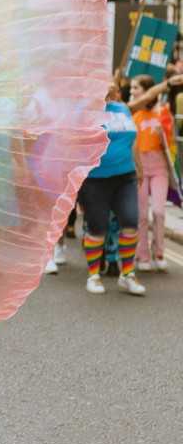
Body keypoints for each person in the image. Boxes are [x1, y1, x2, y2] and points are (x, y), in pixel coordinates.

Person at [77, 81, 144, 295]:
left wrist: (139, 167)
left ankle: (128, 274)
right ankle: (94, 276)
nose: (109, 84)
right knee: (97, 229)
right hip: (95, 179)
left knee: (131, 222)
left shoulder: (122, 108)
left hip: (125, 176)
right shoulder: (84, 111)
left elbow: (131, 141)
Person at [130, 73, 175, 272]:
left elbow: (171, 144)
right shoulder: (131, 113)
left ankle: (159, 252)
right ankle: (142, 255)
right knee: (140, 215)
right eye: (131, 88)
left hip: (159, 167)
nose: (131, 92)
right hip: (139, 167)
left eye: (135, 88)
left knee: (158, 211)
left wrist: (165, 132)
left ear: (147, 92)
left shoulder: (163, 112)